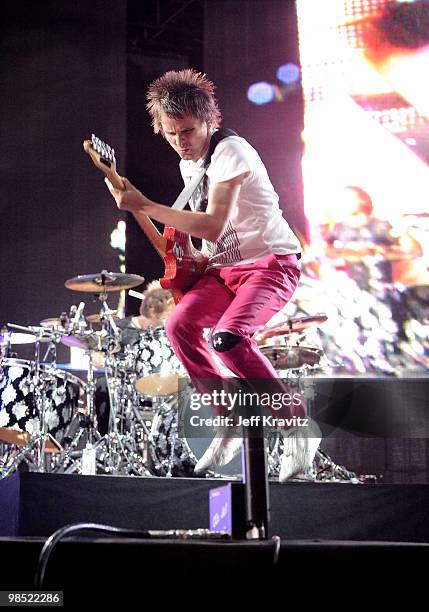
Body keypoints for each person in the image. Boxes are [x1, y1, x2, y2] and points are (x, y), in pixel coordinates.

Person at [104, 68, 320, 482]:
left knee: (228, 339)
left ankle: (296, 422)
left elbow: (213, 225)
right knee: (179, 325)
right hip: (224, 272)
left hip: (270, 265)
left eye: (187, 131)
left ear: (208, 121)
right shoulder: (191, 166)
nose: (180, 142)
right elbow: (186, 239)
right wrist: (135, 206)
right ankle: (228, 415)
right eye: (170, 133)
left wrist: (145, 203)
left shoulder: (230, 152)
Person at [94, 281, 174, 436]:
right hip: (126, 388)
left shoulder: (165, 332)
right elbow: (97, 357)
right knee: (103, 385)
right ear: (151, 309)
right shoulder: (121, 328)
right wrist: (118, 366)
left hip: (160, 388)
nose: (165, 323)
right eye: (163, 317)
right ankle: (107, 439)